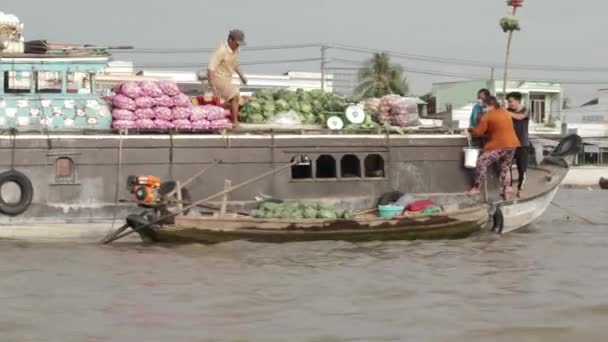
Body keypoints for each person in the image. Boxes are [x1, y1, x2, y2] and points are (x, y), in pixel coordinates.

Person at [466, 96, 521, 200]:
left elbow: (478, 132)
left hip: (500, 145)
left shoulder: (488, 116)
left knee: (481, 162)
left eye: (484, 106)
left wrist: (470, 130)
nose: (483, 109)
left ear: (489, 106)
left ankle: (477, 188)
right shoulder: (505, 112)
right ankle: (506, 190)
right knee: (505, 166)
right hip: (512, 145)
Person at [207, 29, 248, 126]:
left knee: (237, 100)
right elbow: (210, 69)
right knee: (235, 94)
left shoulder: (235, 51)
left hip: (227, 79)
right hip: (217, 78)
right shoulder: (221, 50)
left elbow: (234, 64)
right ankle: (235, 122)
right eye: (237, 43)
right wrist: (213, 87)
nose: (238, 46)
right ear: (230, 40)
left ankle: (217, 108)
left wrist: (241, 76)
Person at [506, 92, 529, 198]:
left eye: (511, 101)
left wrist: (505, 112)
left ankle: (520, 189)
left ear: (517, 100)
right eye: (508, 102)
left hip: (522, 144)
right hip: (509, 143)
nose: (509, 104)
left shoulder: (525, 110)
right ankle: (508, 187)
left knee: (522, 168)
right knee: (507, 166)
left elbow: (520, 117)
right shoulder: (507, 111)